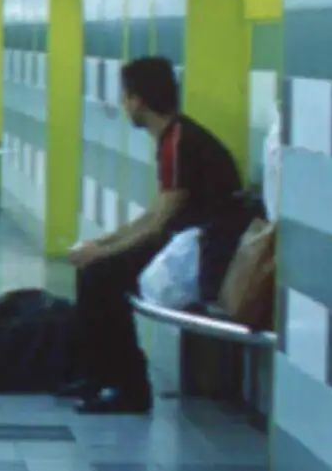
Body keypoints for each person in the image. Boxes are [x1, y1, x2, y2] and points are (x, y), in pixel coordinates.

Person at [62, 57, 244, 415]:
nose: (124, 104)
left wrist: (105, 253)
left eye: (126, 96)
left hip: (205, 254)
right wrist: (102, 244)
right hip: (188, 243)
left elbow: (159, 222)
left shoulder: (179, 141)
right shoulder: (173, 137)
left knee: (103, 276)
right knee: (94, 269)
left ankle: (129, 387)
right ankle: (98, 374)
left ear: (139, 100)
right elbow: (154, 215)